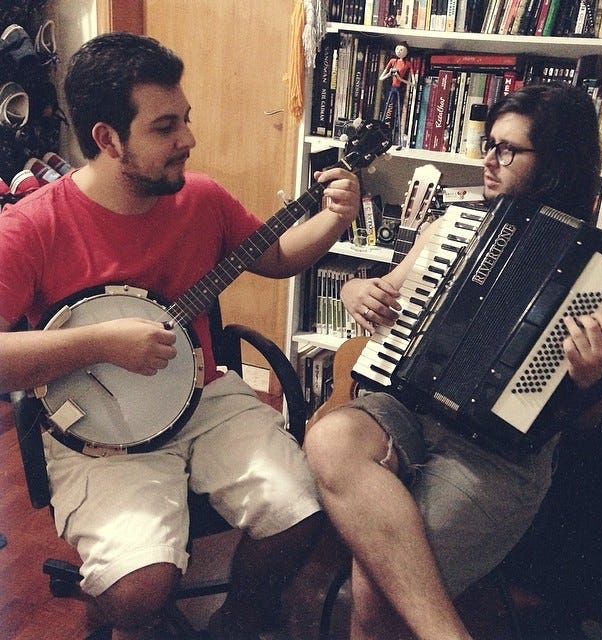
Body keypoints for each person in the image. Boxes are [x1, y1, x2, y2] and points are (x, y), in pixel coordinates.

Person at [0, 32, 361, 640]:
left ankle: (240, 620)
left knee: (301, 510)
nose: (188, 139)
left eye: (185, 119)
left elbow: (274, 258)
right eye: (165, 127)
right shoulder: (32, 226)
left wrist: (334, 219)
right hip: (94, 426)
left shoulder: (201, 198)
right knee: (137, 591)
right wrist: (101, 343)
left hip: (202, 396)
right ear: (107, 140)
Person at [304, 82, 602, 640]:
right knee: (330, 438)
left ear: (553, 162)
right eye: (489, 143)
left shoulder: (599, 272)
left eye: (508, 150)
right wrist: (357, 291)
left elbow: (600, 418)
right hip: (405, 409)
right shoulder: (451, 225)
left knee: (378, 597)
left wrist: (591, 379)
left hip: (497, 456)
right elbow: (383, 292)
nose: (489, 161)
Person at [379, 42, 415, 148]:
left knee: (399, 113)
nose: (399, 51)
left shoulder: (408, 64)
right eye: (398, 49)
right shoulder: (392, 61)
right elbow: (381, 78)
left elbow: (413, 83)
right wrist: (390, 74)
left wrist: (400, 79)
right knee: (386, 111)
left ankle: (399, 141)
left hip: (399, 89)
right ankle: (379, 137)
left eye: (402, 50)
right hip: (392, 88)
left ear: (406, 52)